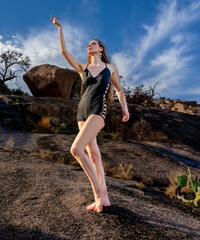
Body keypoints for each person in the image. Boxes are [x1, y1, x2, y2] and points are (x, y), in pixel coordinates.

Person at [51, 14, 130, 213]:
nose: (90, 45)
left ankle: (98, 193)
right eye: (88, 44)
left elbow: (119, 90)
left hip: (98, 110)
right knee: (93, 155)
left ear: (101, 48)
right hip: (82, 112)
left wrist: (124, 108)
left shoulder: (110, 67)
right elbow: (63, 51)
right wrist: (59, 28)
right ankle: (106, 198)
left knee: (75, 149)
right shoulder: (83, 68)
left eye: (93, 43)